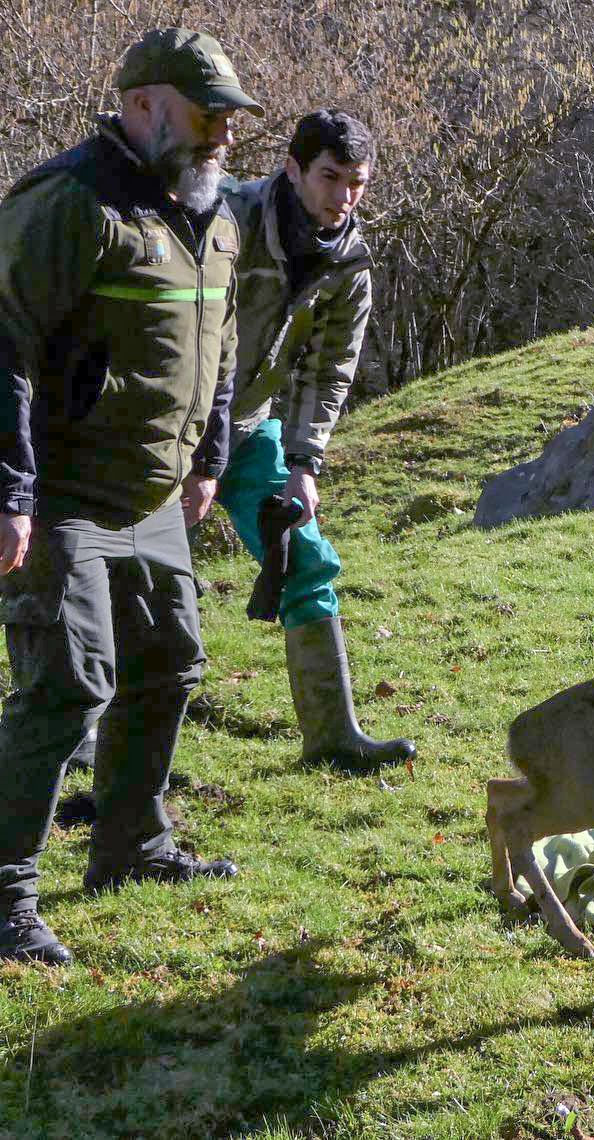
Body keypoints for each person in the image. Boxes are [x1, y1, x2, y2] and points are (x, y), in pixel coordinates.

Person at [0, 27, 262, 966]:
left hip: (154, 493)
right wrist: (10, 488)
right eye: (208, 116)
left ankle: (131, 847)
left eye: (233, 119)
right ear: (145, 104)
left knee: (171, 663)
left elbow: (220, 348)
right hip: (61, 493)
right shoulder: (70, 203)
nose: (225, 137)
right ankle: (5, 897)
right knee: (67, 685)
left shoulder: (213, 215)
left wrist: (208, 460)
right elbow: (5, 341)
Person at [218, 109, 415, 771]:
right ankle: (87, 755)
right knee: (125, 584)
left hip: (248, 430)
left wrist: (303, 464)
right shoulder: (222, 221)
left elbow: (329, 368)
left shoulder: (351, 262)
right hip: (160, 431)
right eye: (330, 177)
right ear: (292, 168)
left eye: (358, 182)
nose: (344, 197)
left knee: (305, 560)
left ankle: (333, 741)